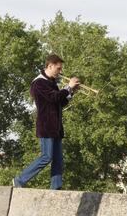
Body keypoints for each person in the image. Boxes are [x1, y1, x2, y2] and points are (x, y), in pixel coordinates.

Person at [13, 54, 80, 190]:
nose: (60, 72)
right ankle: (19, 180)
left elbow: (60, 102)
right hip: (46, 126)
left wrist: (71, 92)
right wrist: (68, 87)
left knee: (58, 161)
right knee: (46, 157)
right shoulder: (39, 83)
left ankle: (56, 188)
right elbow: (53, 97)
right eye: (58, 68)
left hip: (56, 127)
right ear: (50, 66)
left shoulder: (51, 82)